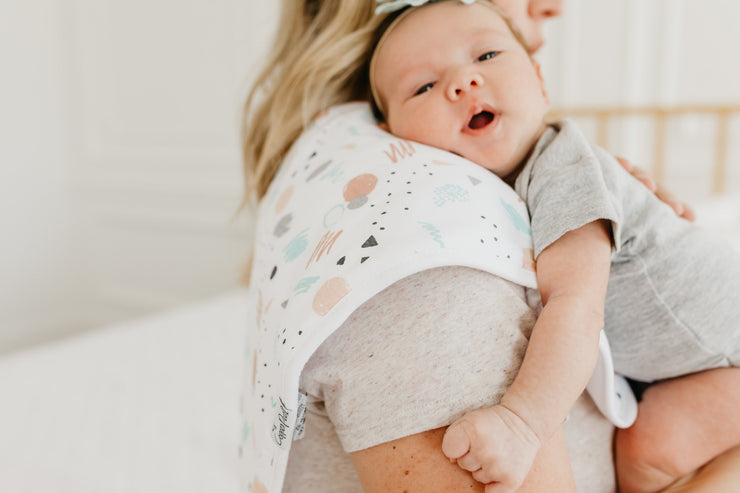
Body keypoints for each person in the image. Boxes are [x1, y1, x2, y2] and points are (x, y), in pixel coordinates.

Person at [242, 1, 725, 492]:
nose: (463, 82)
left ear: (540, 81)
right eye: (423, 86)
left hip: (727, 356)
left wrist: (521, 423)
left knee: (653, 445)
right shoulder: (417, 236)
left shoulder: (567, 174)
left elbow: (575, 308)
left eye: (487, 56)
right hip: (688, 368)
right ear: (392, 136)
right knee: (652, 447)